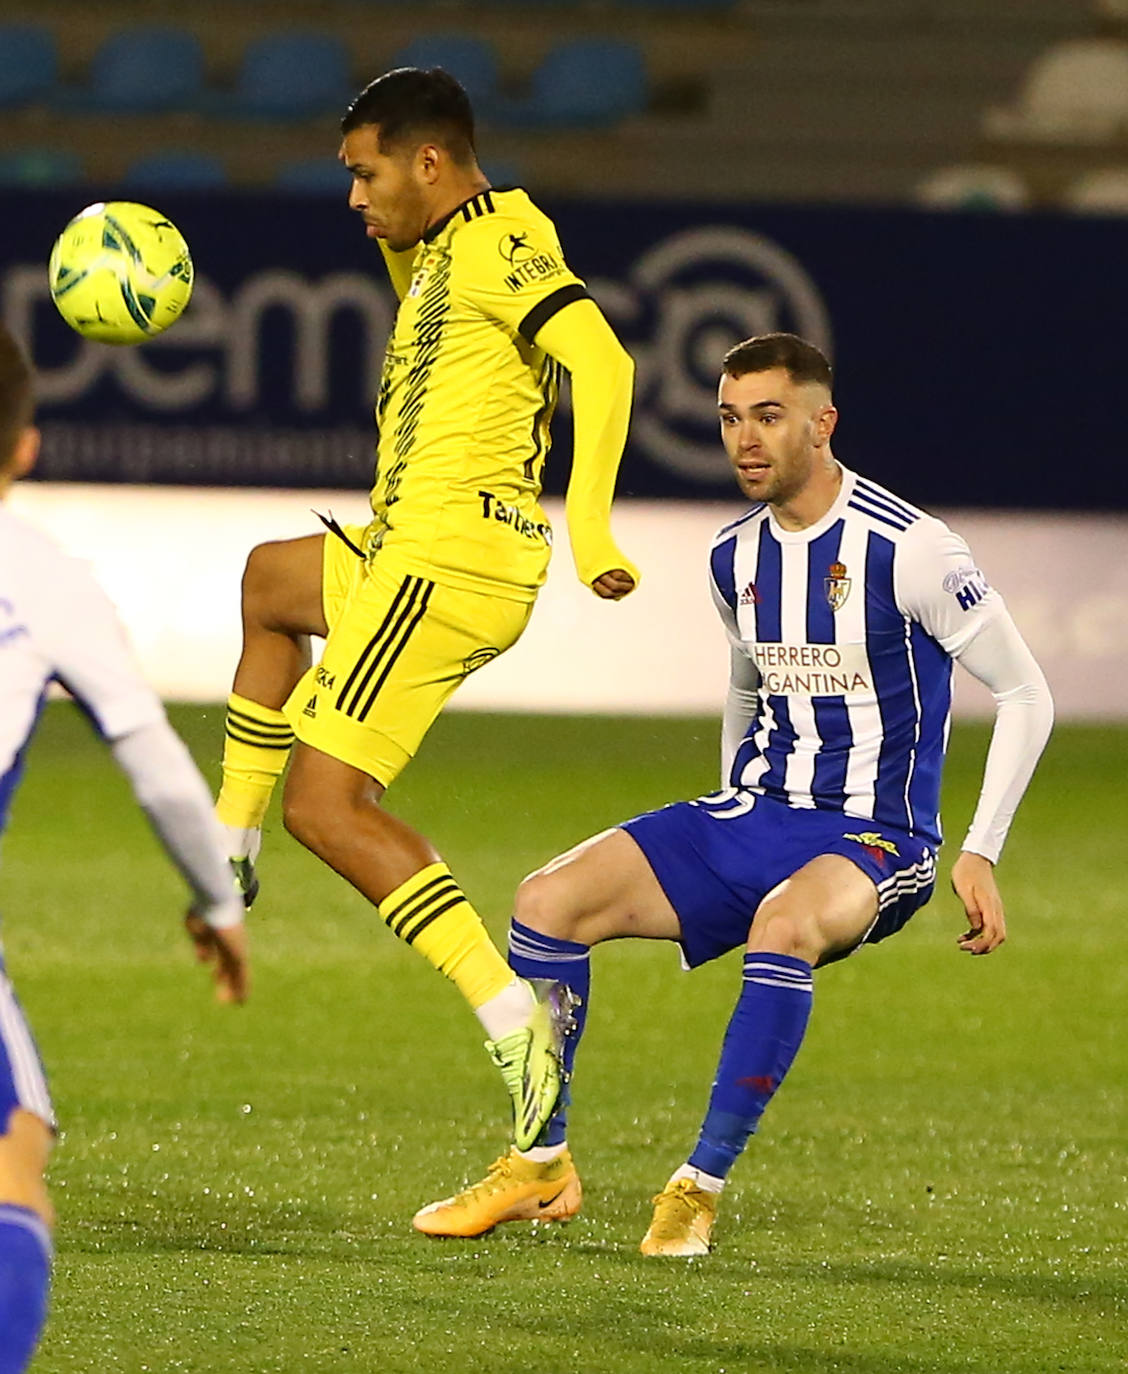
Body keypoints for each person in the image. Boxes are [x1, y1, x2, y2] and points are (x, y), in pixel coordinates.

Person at [412, 332, 1054, 1255]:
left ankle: (696, 1188)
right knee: (546, 901)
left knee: (783, 927)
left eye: (768, 416)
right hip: (757, 813)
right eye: (728, 419)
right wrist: (725, 812)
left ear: (822, 424)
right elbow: (747, 687)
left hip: (878, 837)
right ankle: (539, 1162)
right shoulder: (732, 556)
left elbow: (1026, 693)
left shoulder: (910, 549)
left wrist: (981, 850)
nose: (745, 439)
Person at [213, 66, 638, 1150]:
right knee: (270, 584)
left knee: (326, 806)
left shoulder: (502, 240)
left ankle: (514, 1022)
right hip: (407, 542)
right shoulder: (440, 247)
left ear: (432, 162)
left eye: (368, 174)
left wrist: (592, 528)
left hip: (451, 561)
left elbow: (603, 360)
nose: (354, 197)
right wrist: (396, 231)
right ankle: (225, 848)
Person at [0, 323, 249, 1371]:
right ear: (25, 447)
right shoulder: (41, 577)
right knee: (15, 1159)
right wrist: (219, 902)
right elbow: (156, 768)